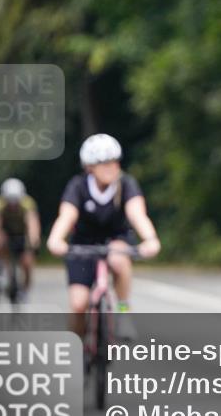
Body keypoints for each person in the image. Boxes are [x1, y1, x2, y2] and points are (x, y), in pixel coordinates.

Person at [46, 133, 161, 339]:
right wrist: (56, 239)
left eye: (114, 161)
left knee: (118, 258)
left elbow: (137, 214)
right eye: (103, 163)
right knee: (78, 305)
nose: (111, 167)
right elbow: (66, 216)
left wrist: (150, 239)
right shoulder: (78, 186)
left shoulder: (126, 184)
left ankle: (123, 311)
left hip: (116, 239)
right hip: (82, 245)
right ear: (90, 167)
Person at [0, 178, 41, 302]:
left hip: (21, 234)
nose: (13, 204)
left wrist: (34, 240)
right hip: (5, 233)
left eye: (16, 201)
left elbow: (32, 223)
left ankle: (24, 291)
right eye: (10, 200)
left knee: (27, 262)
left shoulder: (28, 203)